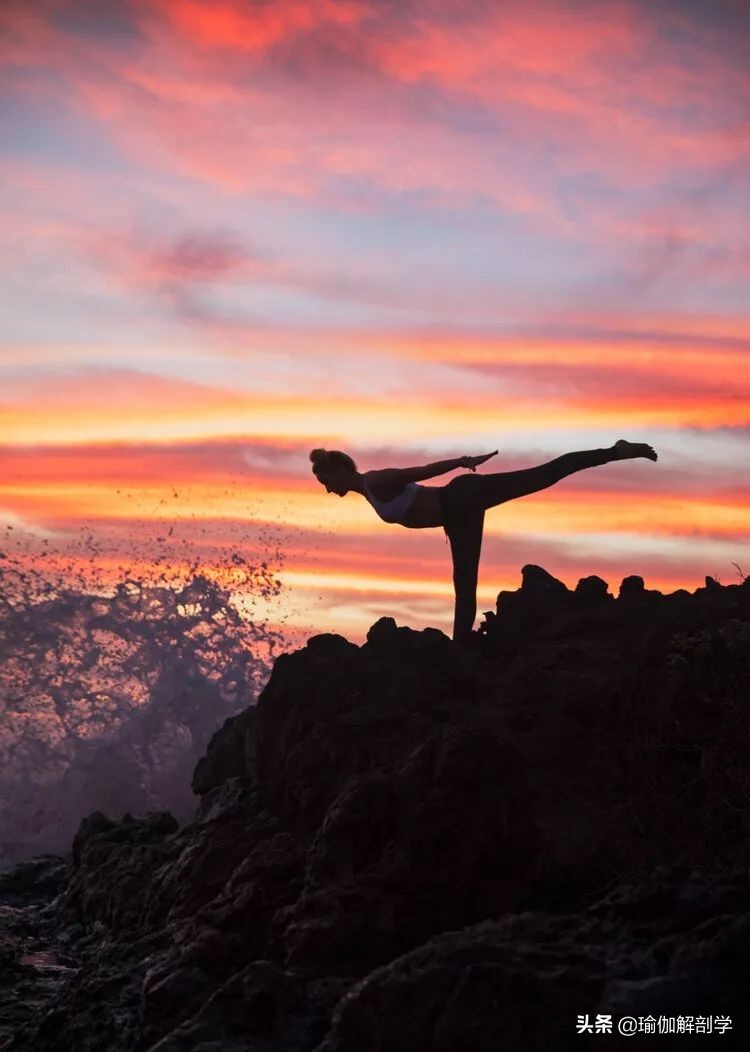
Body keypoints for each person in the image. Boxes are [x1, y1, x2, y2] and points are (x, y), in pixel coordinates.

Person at [310, 439, 658, 644]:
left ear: (339, 471)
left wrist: (462, 462)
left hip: (462, 498)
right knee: (464, 581)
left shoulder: (376, 481)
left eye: (326, 480)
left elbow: (420, 472)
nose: (327, 489)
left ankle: (615, 451)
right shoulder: (369, 492)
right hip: (457, 512)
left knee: (544, 475)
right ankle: (461, 647)